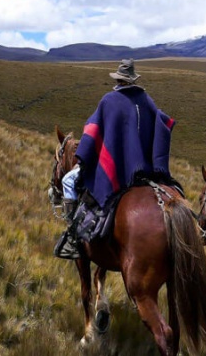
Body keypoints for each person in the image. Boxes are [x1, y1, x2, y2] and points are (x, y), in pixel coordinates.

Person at [55, 58, 175, 259]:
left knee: (68, 180)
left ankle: (73, 236)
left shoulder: (109, 101)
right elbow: (160, 123)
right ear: (133, 79)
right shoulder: (147, 100)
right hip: (145, 168)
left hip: (117, 170)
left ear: (119, 79)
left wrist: (83, 157)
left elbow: (92, 132)